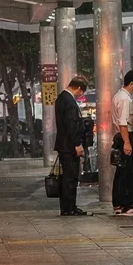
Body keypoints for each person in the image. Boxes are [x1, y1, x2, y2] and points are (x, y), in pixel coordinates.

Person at [52, 77, 91, 216]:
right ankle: (70, 208)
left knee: (67, 177)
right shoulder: (69, 101)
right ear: (78, 88)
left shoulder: (61, 98)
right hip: (69, 145)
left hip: (64, 144)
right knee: (71, 177)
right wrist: (77, 144)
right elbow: (72, 124)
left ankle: (67, 207)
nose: (80, 95)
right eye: (81, 93)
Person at [111, 71, 133, 215]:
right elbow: (123, 123)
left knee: (121, 172)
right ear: (132, 83)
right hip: (128, 136)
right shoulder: (125, 99)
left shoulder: (117, 96)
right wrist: (127, 142)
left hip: (122, 136)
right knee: (130, 172)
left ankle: (119, 204)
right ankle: (129, 204)